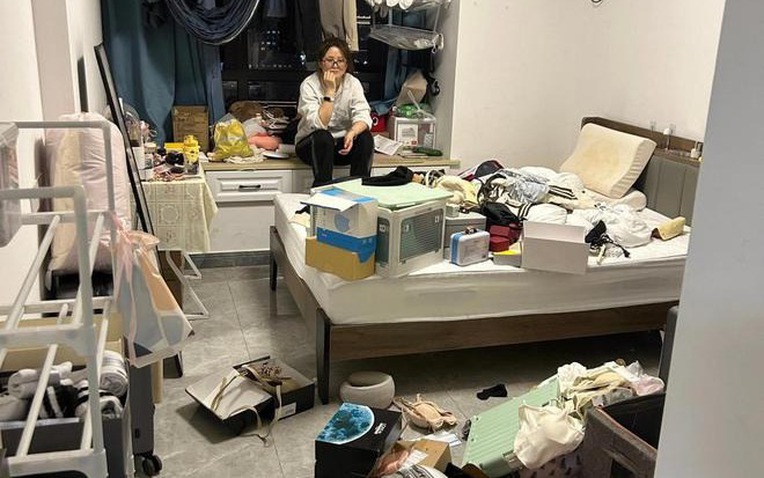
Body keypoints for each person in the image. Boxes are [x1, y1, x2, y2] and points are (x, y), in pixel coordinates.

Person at [295, 37, 374, 188]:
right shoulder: (309, 85)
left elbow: (364, 115)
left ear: (346, 64)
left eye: (341, 60)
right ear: (321, 63)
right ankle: (322, 188)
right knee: (323, 137)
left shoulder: (353, 83)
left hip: (343, 147)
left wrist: (352, 132)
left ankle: (361, 187)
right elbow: (319, 124)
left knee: (364, 136)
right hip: (312, 147)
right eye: (330, 60)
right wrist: (330, 91)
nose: (335, 65)